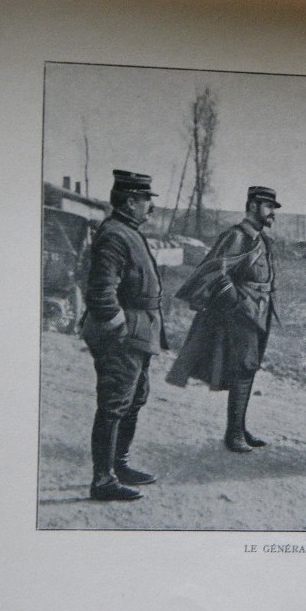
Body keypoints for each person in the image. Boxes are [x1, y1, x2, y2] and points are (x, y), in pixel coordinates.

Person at [167, 186, 280, 453]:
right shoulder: (237, 236)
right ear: (253, 206)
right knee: (243, 368)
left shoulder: (261, 239)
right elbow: (217, 273)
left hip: (259, 312)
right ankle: (234, 434)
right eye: (268, 207)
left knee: (249, 368)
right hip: (241, 315)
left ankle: (240, 427)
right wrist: (238, 303)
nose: (273, 212)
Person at [80, 169, 167, 501]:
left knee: (134, 398)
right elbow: (101, 292)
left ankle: (119, 464)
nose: (151, 208)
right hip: (125, 332)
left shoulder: (125, 230)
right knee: (114, 403)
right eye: (146, 201)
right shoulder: (115, 234)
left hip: (139, 330)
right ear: (130, 201)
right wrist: (119, 329)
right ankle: (102, 479)